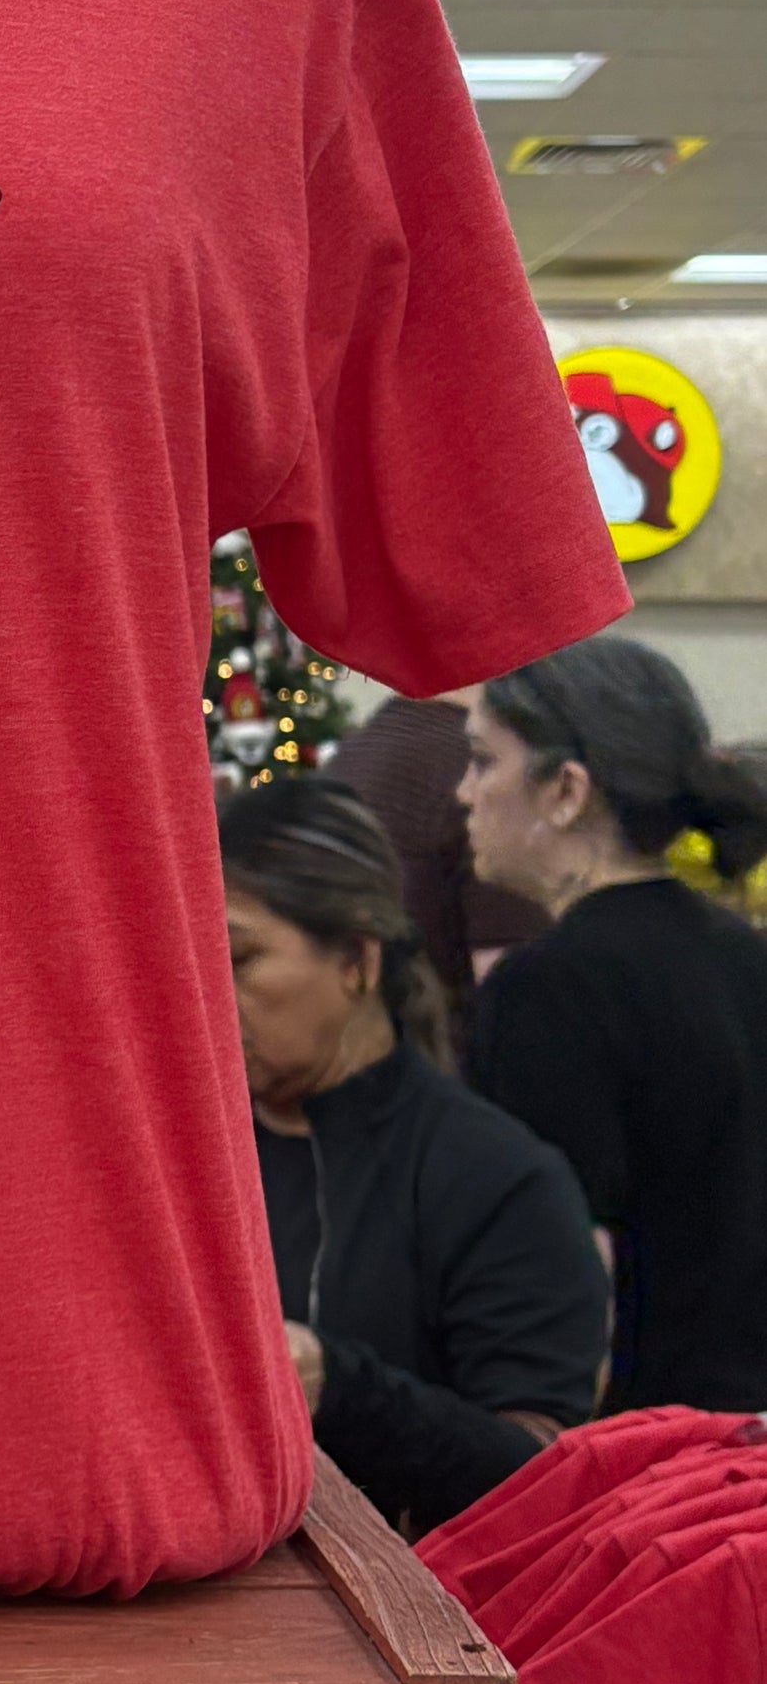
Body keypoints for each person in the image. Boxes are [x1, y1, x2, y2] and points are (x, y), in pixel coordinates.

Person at [221, 776, 607, 1535]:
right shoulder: (193, 1167)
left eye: (237, 958)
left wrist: (338, 1387)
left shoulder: (500, 1179)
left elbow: (544, 1476)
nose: (202, 992)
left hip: (422, 1599)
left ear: (357, 962)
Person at [462, 635, 767, 1412]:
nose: (464, 793)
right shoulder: (746, 953)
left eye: (483, 761)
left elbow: (549, 1274)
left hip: (644, 1437)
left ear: (566, 790)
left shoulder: (545, 990)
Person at [329, 690, 550, 1048]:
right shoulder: (482, 760)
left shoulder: (355, 752)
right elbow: (517, 996)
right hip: (449, 1059)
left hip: (368, 1054)